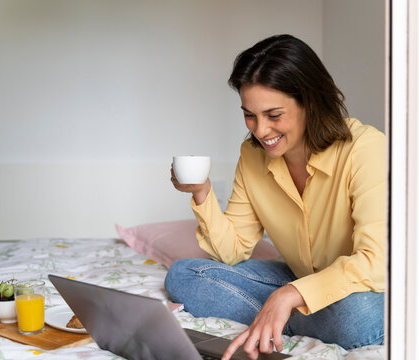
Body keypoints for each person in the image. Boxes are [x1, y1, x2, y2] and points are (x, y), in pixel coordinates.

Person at [165, 34, 386, 360]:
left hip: (362, 289)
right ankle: (283, 315)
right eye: (249, 115)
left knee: (356, 316)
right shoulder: (252, 156)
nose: (260, 130)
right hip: (302, 280)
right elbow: (232, 252)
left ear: (310, 102)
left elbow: (376, 262)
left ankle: (279, 313)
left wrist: (289, 295)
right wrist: (202, 194)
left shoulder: (365, 149)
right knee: (184, 276)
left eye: (274, 115)